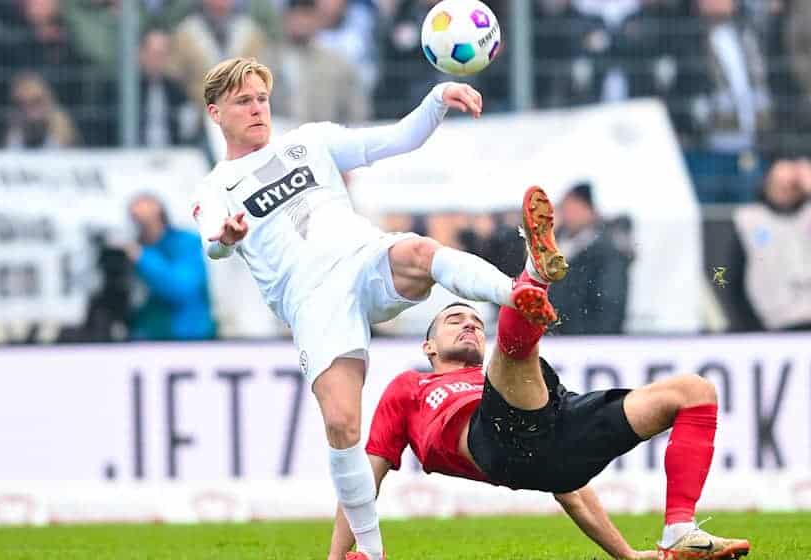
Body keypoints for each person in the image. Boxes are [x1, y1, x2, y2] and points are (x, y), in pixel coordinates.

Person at [191, 57, 562, 560]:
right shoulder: (216, 185)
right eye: (243, 101)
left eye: (262, 98)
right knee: (343, 424)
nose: (257, 109)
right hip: (312, 298)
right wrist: (227, 237)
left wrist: (436, 101)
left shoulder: (310, 141)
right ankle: (369, 551)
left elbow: (395, 140)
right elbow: (212, 241)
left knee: (421, 254)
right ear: (216, 112)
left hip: (363, 257)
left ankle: (516, 288)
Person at [329, 187, 751, 560]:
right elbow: (364, 476)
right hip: (493, 440)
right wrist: (340, 554)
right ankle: (533, 274)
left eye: (476, 321)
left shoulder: (492, 374)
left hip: (550, 429)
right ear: (429, 346)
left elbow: (568, 486)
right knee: (513, 360)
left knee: (694, 391)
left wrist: (625, 555)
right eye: (455, 319)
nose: (469, 324)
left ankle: (678, 531)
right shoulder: (410, 386)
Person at [728, 157, 811, 332]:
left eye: (792, 185)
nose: (785, 190)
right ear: (767, 184)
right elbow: (721, 273)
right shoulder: (749, 221)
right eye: (779, 184)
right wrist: (748, 325)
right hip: (776, 324)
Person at [124, 194, 216, 341]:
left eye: (144, 207)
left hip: (189, 338)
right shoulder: (133, 248)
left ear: (159, 211)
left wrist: (142, 258)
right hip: (147, 339)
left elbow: (182, 288)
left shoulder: (186, 242)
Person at [547, 182, 632, 335]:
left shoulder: (606, 251)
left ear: (587, 209)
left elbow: (609, 303)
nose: (565, 215)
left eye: (570, 209)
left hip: (589, 339)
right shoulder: (562, 244)